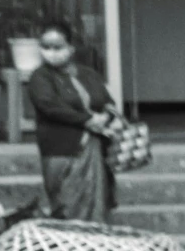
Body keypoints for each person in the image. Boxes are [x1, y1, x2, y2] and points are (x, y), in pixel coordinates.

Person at [24, 17, 121, 222]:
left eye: (57, 46)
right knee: (67, 205)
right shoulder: (40, 77)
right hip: (62, 150)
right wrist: (87, 120)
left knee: (96, 203)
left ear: (71, 48)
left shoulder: (89, 74)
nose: (51, 52)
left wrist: (107, 116)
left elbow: (107, 101)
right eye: (46, 47)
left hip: (94, 147)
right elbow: (50, 107)